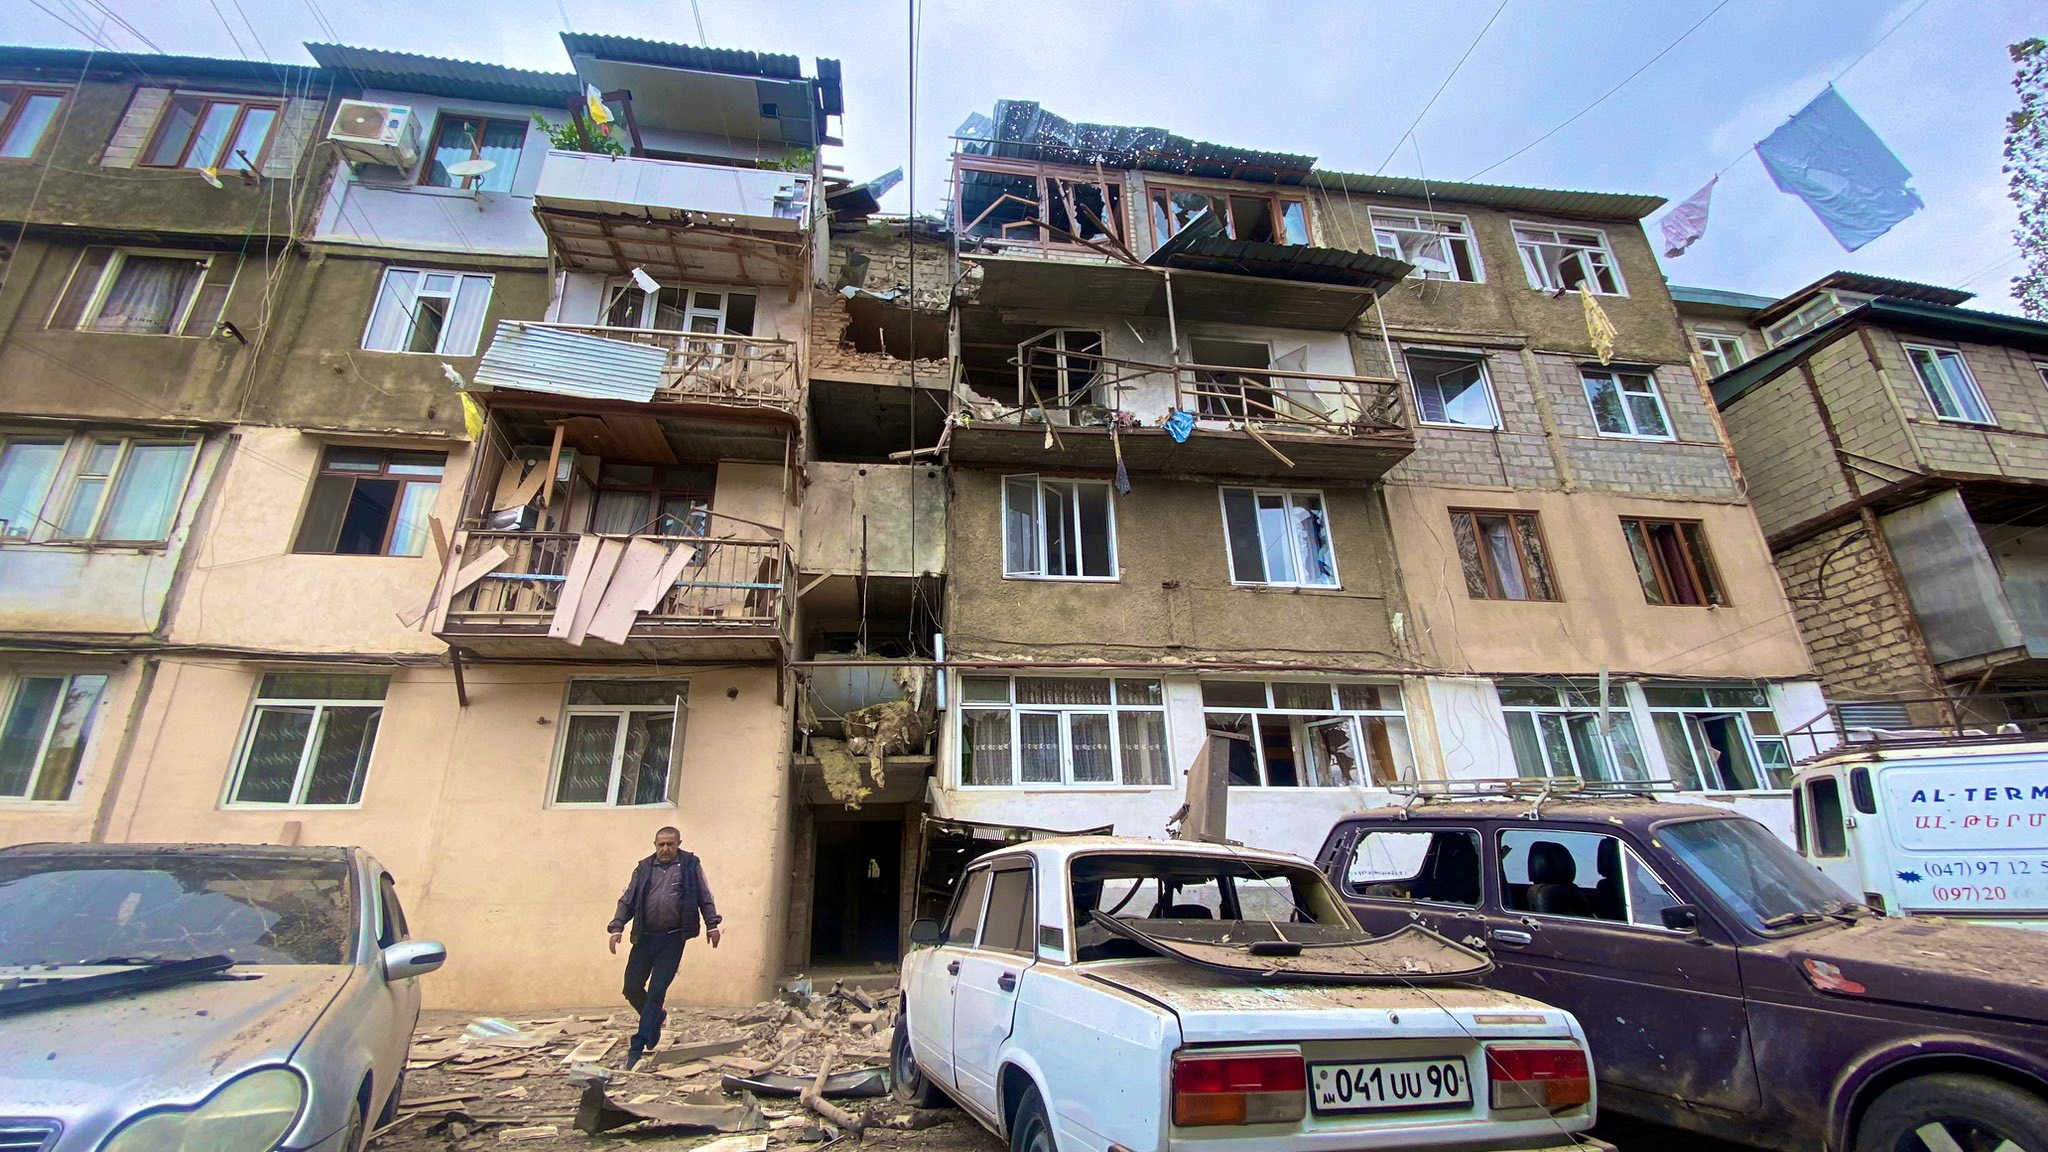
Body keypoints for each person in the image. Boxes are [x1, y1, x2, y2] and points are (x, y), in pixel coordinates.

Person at [608, 826, 722, 1068]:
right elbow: (627, 899)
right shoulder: (644, 867)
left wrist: (712, 924)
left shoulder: (690, 865)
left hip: (672, 939)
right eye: (661, 844)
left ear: (679, 843)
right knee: (631, 988)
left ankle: (636, 1048)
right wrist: (617, 927)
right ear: (655, 844)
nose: (665, 849)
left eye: (670, 844)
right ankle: (655, 1019)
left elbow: (704, 895)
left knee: (656, 992)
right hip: (645, 937)